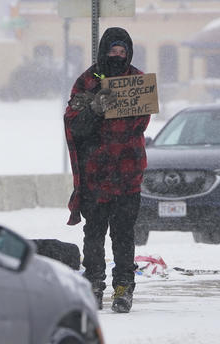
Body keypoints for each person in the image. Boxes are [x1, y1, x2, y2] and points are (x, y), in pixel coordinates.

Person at [63, 27, 150, 313]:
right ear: (103, 51)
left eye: (122, 51)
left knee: (124, 234)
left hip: (127, 175)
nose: (117, 56)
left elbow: (139, 124)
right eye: (112, 51)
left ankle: (124, 287)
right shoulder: (87, 82)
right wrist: (95, 108)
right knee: (94, 233)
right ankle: (94, 285)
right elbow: (75, 124)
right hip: (95, 176)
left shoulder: (137, 82)